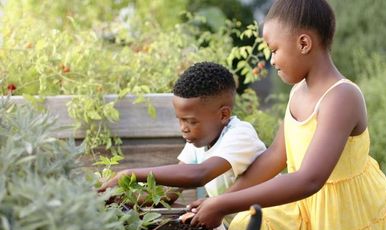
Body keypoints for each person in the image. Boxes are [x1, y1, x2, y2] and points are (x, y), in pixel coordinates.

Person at [188, 1, 386, 230]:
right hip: (307, 207)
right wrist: (219, 201)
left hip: (346, 216)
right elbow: (275, 157)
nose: (272, 61)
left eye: (274, 50)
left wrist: (224, 206)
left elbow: (309, 179)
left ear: (304, 43)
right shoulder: (298, 92)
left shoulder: (341, 97)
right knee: (249, 227)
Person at [100, 62, 266, 206]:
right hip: (232, 226)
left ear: (223, 115)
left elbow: (199, 175)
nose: (183, 128)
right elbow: (168, 194)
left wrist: (131, 174)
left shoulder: (240, 135)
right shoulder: (198, 141)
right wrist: (119, 198)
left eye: (191, 121)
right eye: (180, 120)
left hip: (265, 222)